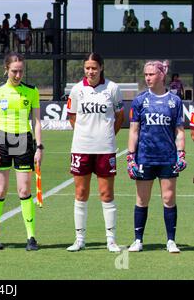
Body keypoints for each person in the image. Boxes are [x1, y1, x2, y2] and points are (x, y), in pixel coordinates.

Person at [66, 53, 124, 253]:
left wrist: (106, 135)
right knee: (81, 193)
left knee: (106, 194)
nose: (91, 71)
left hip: (105, 149)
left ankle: (111, 239)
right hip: (81, 148)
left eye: (94, 68)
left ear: (101, 67)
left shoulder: (113, 89)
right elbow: (72, 117)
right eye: (87, 68)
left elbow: (119, 116)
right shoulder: (76, 90)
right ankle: (79, 239)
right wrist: (85, 134)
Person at [127, 60, 186, 253]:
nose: (147, 78)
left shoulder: (175, 101)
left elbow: (179, 131)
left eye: (151, 74)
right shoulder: (139, 100)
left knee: (169, 198)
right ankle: (138, 240)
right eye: (145, 74)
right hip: (145, 157)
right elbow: (134, 131)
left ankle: (171, 240)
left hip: (167, 158)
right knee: (142, 199)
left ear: (161, 75)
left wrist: (181, 154)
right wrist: (130, 157)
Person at [0, 52, 42, 251]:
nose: (18, 75)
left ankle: (31, 237)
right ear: (6, 70)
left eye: (20, 71)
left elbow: (36, 121)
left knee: (24, 190)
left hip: (23, 140)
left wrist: (39, 147)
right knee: (0, 190)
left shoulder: (32, 91)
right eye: (14, 71)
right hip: (1, 139)